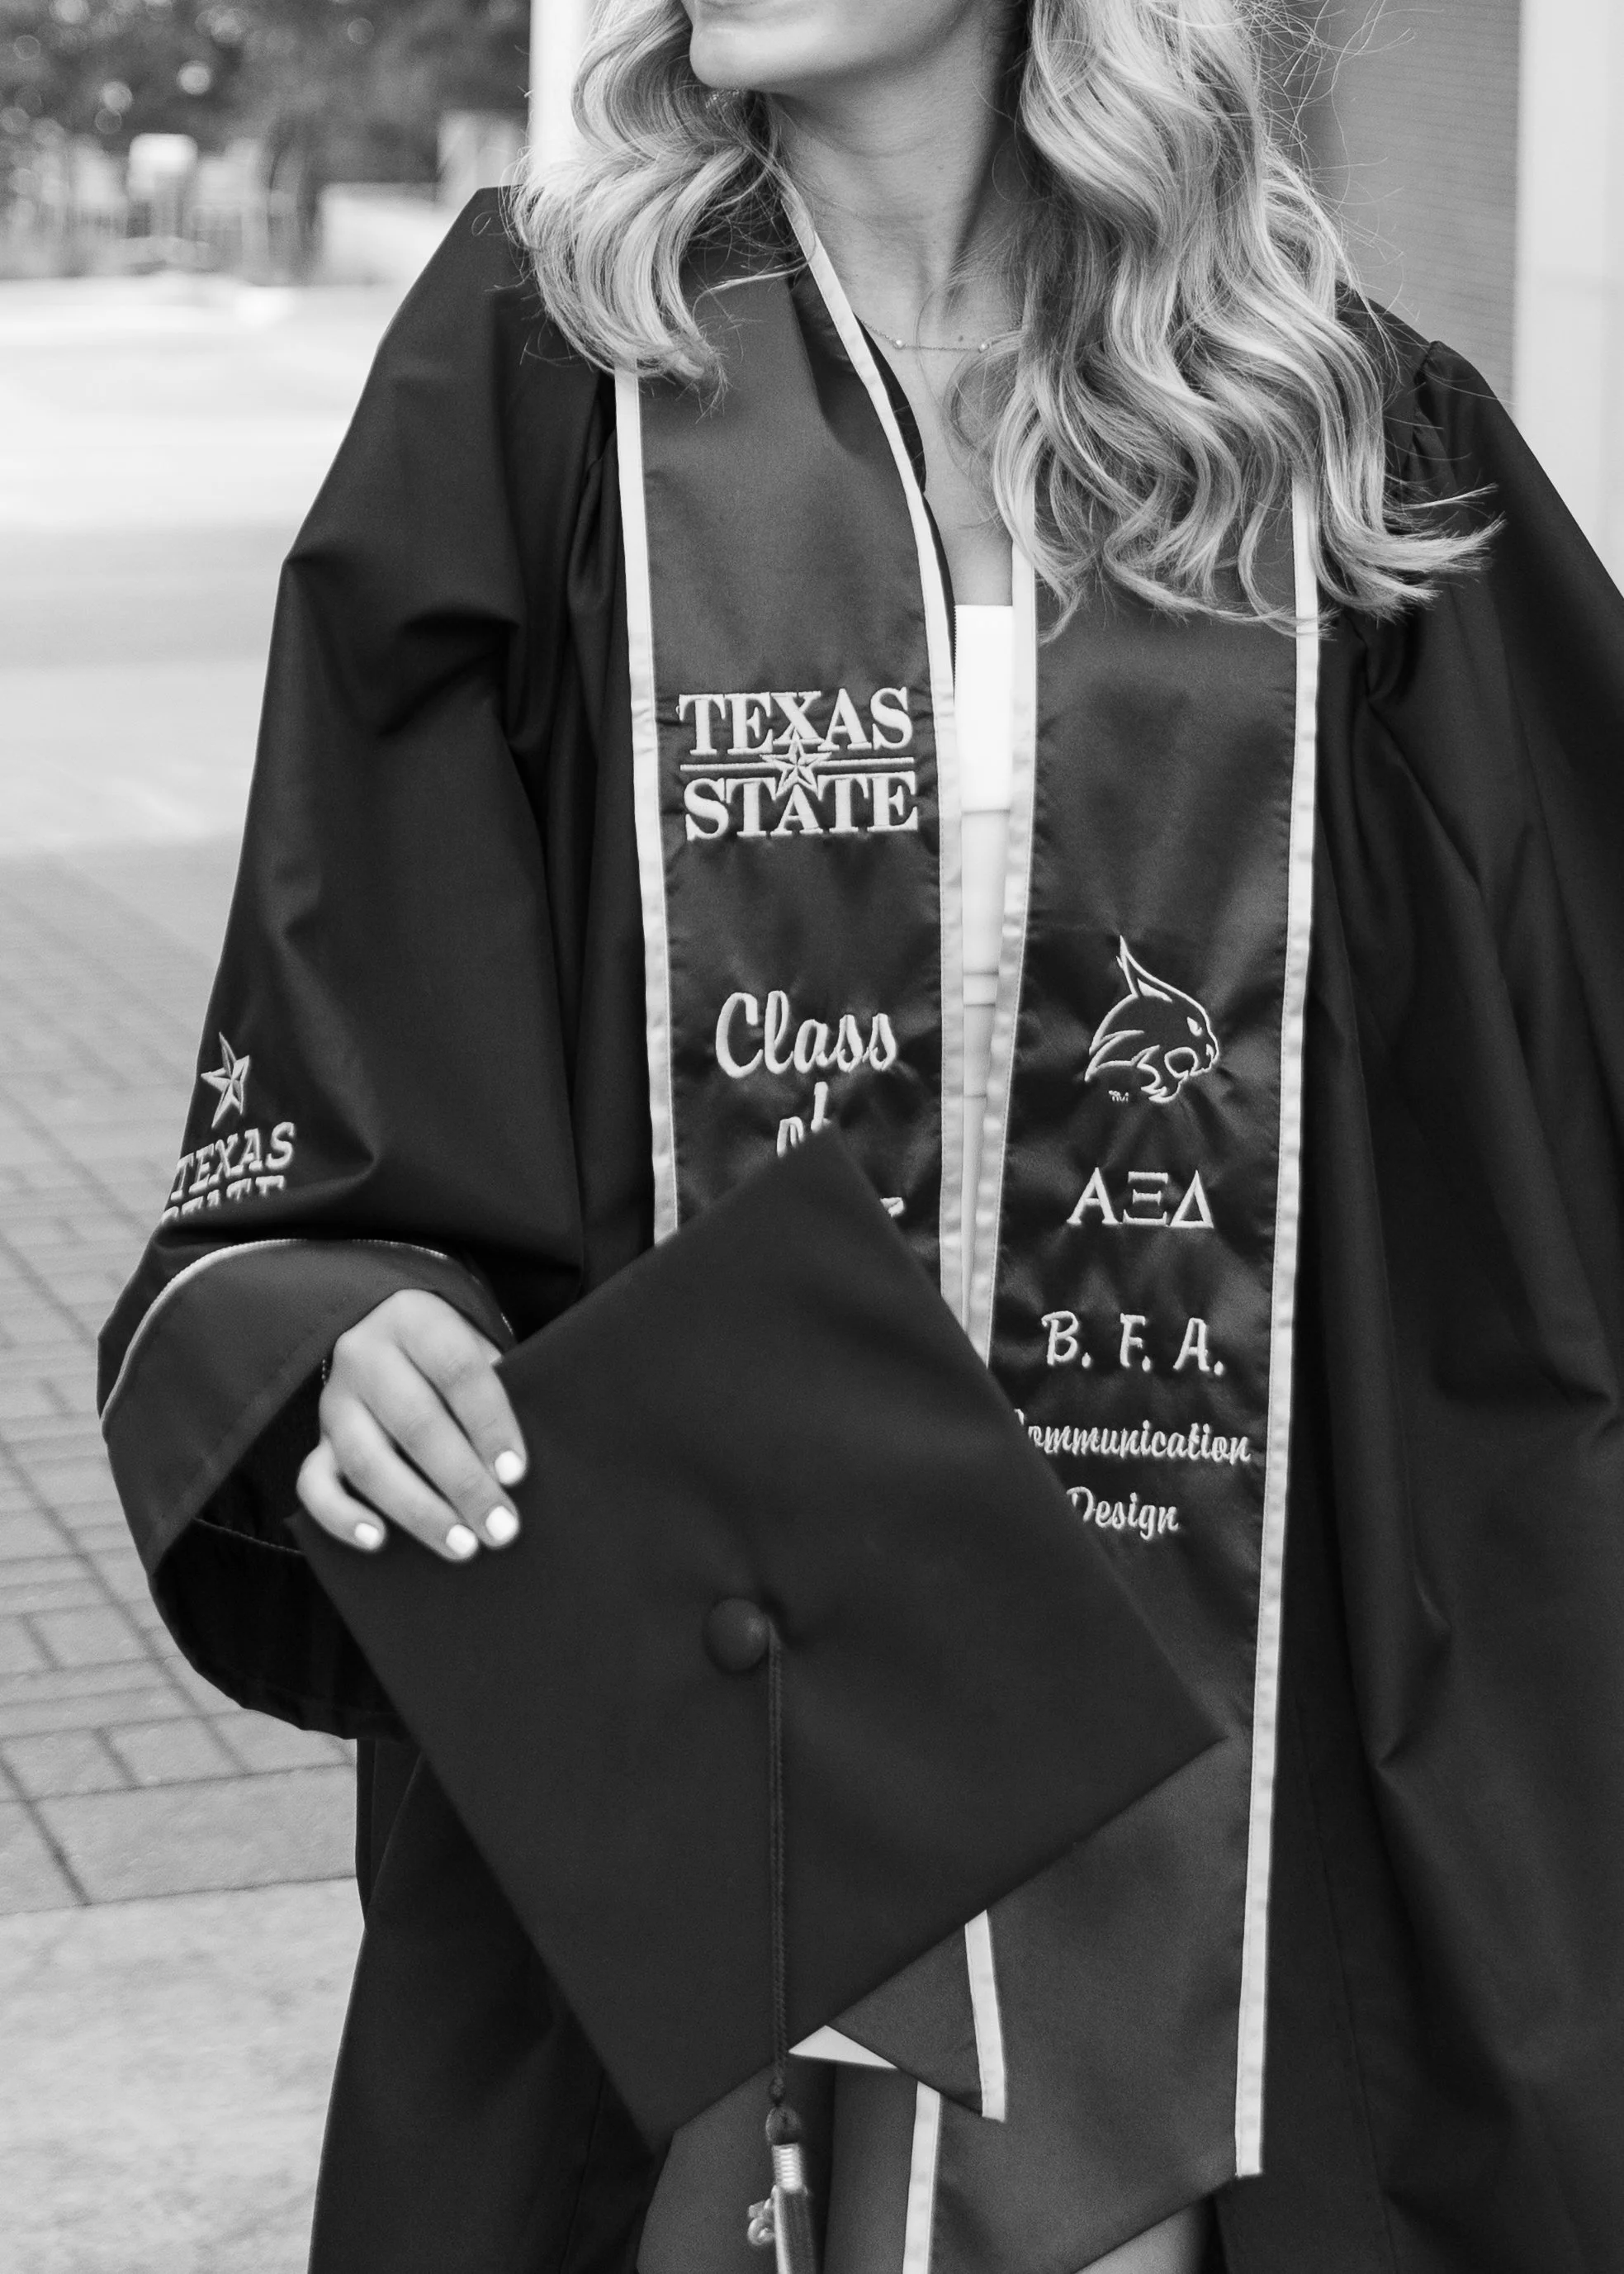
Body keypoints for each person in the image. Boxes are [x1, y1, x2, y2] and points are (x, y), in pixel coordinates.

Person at [96, 1, 1624, 2270]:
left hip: (1209, 1762)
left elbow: (1545, 1083)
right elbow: (352, 992)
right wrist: (335, 1321)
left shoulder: (1328, 427)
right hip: (701, 1720)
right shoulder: (550, 370)